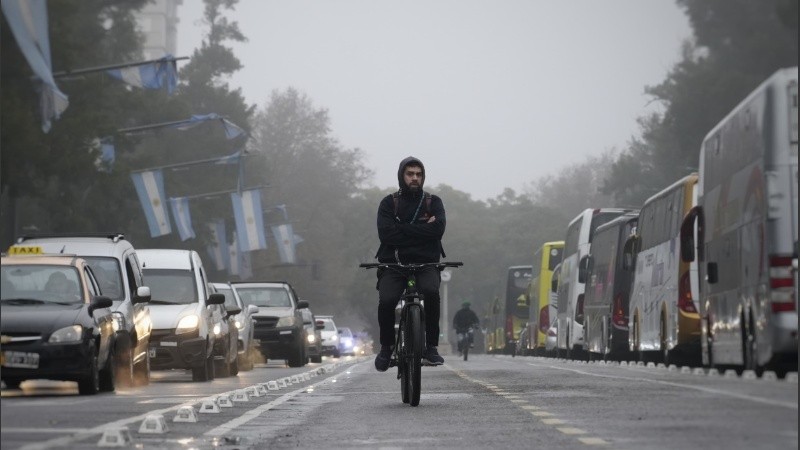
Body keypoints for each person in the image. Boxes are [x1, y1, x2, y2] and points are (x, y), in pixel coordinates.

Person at [373, 156, 447, 372]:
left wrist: (401, 229)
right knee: (387, 301)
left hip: (427, 264)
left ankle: (431, 347)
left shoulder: (434, 202)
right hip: (393, 265)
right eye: (410, 174)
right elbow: (386, 235)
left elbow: (438, 230)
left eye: (418, 174)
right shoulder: (388, 203)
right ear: (401, 176)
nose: (415, 178)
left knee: (432, 293)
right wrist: (424, 232)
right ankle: (386, 348)